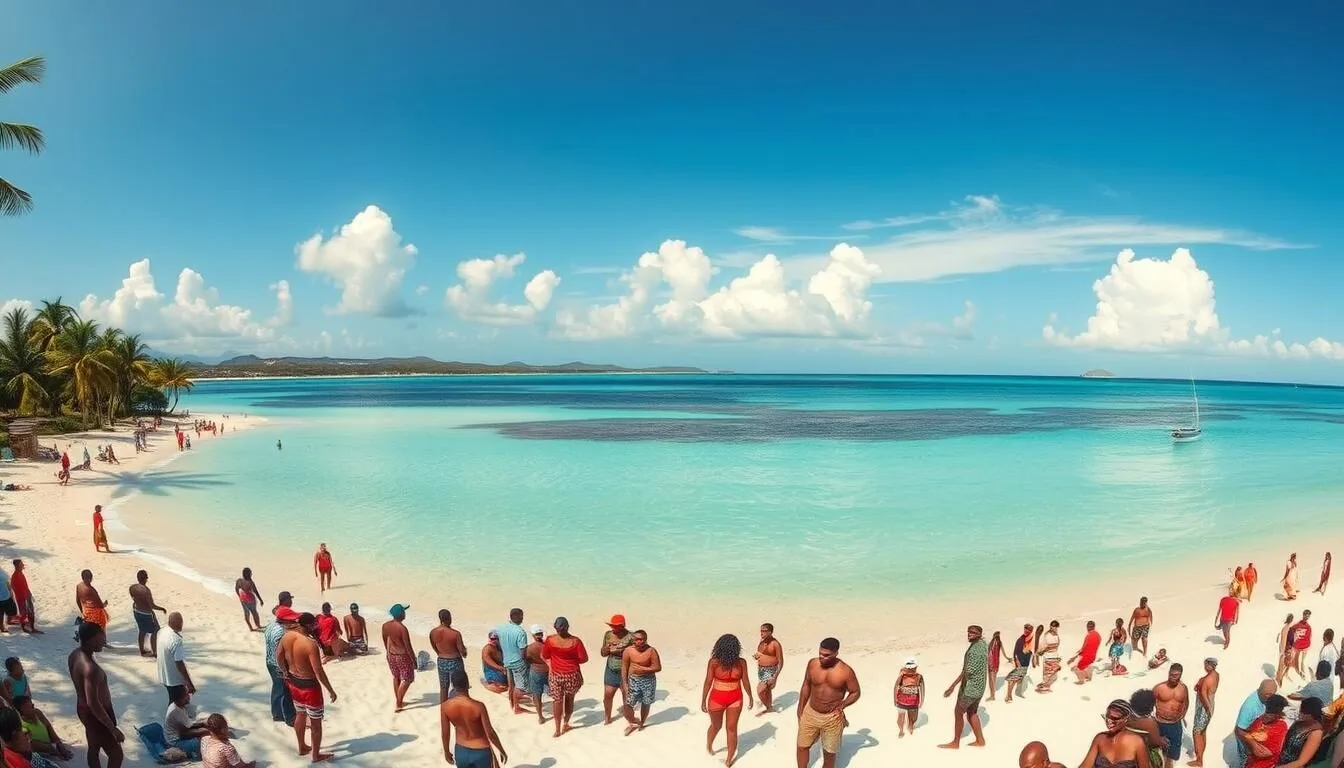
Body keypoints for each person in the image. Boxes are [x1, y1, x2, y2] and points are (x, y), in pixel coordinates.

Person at [276, 611, 338, 763]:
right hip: (309, 686)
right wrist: (330, 690)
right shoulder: (310, 644)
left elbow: (278, 655)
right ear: (308, 625)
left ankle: (302, 746)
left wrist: (284, 671)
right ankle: (316, 755)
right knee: (316, 723)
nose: (315, 626)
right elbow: (318, 670)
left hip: (293, 682)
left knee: (300, 714)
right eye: (314, 624)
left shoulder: (287, 636)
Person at [67, 621, 124, 768]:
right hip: (96, 714)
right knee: (116, 754)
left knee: (93, 746)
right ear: (92, 638)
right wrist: (112, 728)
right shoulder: (90, 668)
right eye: (102, 637)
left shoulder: (74, 655)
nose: (104, 642)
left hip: (82, 709)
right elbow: (93, 702)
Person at [797, 637, 860, 768]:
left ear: (836, 653)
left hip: (832, 718)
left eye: (826, 655)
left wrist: (842, 705)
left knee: (829, 753)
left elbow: (855, 692)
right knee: (802, 746)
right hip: (811, 712)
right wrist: (800, 708)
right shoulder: (812, 664)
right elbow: (806, 686)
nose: (822, 657)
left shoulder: (845, 671)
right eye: (820, 653)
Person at [439, 667, 508, 768]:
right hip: (481, 751)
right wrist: (501, 750)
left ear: (453, 685)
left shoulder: (445, 707)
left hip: (461, 750)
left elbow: (445, 733)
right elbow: (490, 733)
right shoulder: (478, 706)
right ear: (467, 684)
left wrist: (446, 751)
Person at [703, 633, 752, 766]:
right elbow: (708, 681)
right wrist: (703, 700)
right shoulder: (714, 662)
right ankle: (709, 745)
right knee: (716, 726)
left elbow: (745, 680)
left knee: (731, 728)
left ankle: (729, 758)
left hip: (735, 699)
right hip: (716, 699)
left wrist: (750, 696)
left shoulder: (741, 662)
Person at [940, 624, 988, 750]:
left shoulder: (974, 651)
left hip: (971, 688)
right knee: (972, 712)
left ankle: (955, 742)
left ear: (979, 634)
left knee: (958, 712)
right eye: (968, 632)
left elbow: (967, 672)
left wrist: (952, 686)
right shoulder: (983, 645)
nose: (969, 634)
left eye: (973, 632)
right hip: (980, 687)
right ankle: (980, 740)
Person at [542, 616, 588, 738]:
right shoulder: (575, 641)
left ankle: (557, 729)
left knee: (557, 701)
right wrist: (571, 659)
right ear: (568, 627)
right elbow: (584, 659)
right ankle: (566, 723)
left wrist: (553, 662)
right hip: (572, 674)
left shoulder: (550, 640)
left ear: (555, 628)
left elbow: (545, 655)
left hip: (556, 675)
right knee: (569, 699)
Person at [1080, 699, 1153, 768]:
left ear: (1126, 719)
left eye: (1115, 718)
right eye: (1107, 716)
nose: (1109, 721)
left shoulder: (1136, 742)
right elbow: (1085, 765)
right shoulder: (1100, 739)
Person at [621, 629, 662, 735]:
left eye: (642, 639)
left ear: (646, 639)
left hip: (648, 680)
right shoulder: (628, 651)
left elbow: (657, 667)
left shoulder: (651, 651)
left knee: (646, 702)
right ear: (633, 640)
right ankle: (633, 721)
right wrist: (625, 683)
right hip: (634, 679)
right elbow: (624, 668)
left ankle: (642, 723)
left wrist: (644, 669)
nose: (639, 641)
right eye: (637, 639)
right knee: (628, 704)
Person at [264, 607, 299, 727]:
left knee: (277, 688)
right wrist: (285, 669)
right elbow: (281, 652)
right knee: (286, 691)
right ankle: (289, 717)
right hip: (279, 664)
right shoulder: (282, 633)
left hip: (269, 661)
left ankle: (277, 713)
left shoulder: (270, 626)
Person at [13, 695, 74, 760]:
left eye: (32, 705)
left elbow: (49, 727)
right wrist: (52, 749)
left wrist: (58, 743)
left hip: (50, 746)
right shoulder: (21, 724)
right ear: (21, 710)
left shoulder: (37, 713)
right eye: (29, 707)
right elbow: (31, 743)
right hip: (38, 753)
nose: (33, 708)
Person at [381, 604, 416, 712]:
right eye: (404, 612)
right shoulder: (402, 629)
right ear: (401, 614)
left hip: (391, 654)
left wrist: (388, 653)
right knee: (408, 679)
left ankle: (399, 700)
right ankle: (399, 703)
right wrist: (414, 659)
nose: (405, 613)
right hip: (402, 656)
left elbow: (384, 639)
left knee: (396, 677)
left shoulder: (385, 625)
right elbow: (408, 646)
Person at [1239, 694, 1290, 768]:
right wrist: (1252, 744)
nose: (1266, 715)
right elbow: (1248, 746)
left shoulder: (1281, 727)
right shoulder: (1259, 720)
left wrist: (1251, 743)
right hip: (1251, 763)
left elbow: (1267, 753)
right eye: (1266, 712)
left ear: (1277, 714)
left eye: (1270, 713)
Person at [1153, 663, 1189, 767]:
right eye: (1171, 674)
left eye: (1176, 675)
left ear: (1181, 675)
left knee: (1171, 756)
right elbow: (1149, 704)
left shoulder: (1183, 688)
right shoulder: (1159, 688)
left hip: (1175, 724)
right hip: (1160, 723)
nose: (1173, 677)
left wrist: (1183, 715)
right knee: (1158, 753)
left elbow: (1186, 702)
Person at [601, 614, 634, 725]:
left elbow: (636, 653)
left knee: (626, 696)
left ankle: (628, 719)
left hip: (626, 670)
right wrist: (608, 649)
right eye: (612, 626)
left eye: (616, 626)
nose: (613, 629)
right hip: (611, 668)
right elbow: (603, 653)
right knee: (608, 695)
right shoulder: (608, 635)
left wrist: (620, 651)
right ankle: (607, 718)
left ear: (623, 626)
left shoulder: (631, 637)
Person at [1235, 680, 1278, 765]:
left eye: (1271, 694)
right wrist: (1252, 744)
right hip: (1246, 741)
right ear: (1259, 689)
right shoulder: (1250, 707)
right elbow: (1239, 730)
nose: (1269, 697)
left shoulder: (1267, 699)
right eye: (1266, 694)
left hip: (1257, 736)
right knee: (1245, 762)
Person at [496, 608, 530, 715]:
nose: (522, 618)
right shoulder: (520, 632)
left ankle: (512, 704)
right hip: (518, 662)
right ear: (517, 616)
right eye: (521, 616)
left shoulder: (501, 629)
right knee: (521, 686)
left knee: (511, 685)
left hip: (506, 660)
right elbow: (523, 652)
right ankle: (517, 707)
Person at [156, 612, 195, 703]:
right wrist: (189, 683)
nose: (181, 625)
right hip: (174, 679)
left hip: (163, 674)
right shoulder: (176, 641)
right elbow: (179, 664)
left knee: (178, 698)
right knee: (176, 702)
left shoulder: (162, 631)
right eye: (180, 623)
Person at [430, 609, 467, 702]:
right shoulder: (455, 634)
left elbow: (434, 647)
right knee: (460, 686)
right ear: (449, 618)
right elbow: (462, 652)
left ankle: (444, 709)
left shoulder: (433, 632)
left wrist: (441, 654)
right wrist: (465, 651)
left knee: (443, 687)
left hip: (442, 660)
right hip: (455, 661)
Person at [1188, 657, 1219, 766]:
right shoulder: (1215, 675)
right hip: (1209, 706)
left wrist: (1207, 709)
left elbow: (1204, 695)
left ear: (1209, 665)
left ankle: (1199, 759)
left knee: (1197, 732)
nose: (1204, 667)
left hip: (1203, 708)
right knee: (1203, 731)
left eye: (1205, 665)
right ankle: (1201, 755)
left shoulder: (1207, 680)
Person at [128, 570, 166, 657]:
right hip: (146, 613)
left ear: (138, 578)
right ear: (146, 579)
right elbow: (152, 605)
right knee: (155, 630)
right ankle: (155, 652)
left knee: (142, 630)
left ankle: (142, 650)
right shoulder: (146, 590)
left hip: (136, 610)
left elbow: (134, 598)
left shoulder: (132, 587)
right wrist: (161, 609)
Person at [1279, 696, 1326, 767]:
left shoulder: (1316, 733)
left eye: (1303, 712)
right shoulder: (1298, 723)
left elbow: (1302, 761)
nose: (1300, 713)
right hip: (1280, 761)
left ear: (1311, 715)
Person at [1128, 688, 1169, 768]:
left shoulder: (1126, 717)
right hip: (1146, 752)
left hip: (1129, 748)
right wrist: (1164, 741)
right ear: (1149, 707)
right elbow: (1156, 741)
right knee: (1166, 742)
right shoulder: (1149, 723)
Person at [163, 688, 208, 759]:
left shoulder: (176, 706)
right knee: (204, 739)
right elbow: (184, 734)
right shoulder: (176, 711)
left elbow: (189, 724)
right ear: (180, 698)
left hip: (176, 736)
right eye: (186, 695)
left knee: (203, 725)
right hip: (175, 742)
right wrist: (204, 730)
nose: (189, 696)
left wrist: (202, 723)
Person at [755, 622, 783, 714]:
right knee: (766, 690)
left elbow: (781, 661)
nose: (761, 633)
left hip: (770, 670)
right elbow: (760, 654)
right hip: (761, 669)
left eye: (764, 631)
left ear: (770, 632)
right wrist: (758, 656)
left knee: (760, 691)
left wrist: (775, 677)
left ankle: (767, 706)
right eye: (761, 631)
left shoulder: (775, 644)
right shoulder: (762, 642)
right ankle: (770, 707)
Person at [524, 624, 550, 724]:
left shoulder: (529, 648)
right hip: (548, 671)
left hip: (535, 671)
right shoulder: (547, 647)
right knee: (556, 693)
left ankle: (540, 717)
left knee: (537, 695)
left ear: (533, 635)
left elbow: (526, 659)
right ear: (542, 634)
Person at [894, 658, 924, 737]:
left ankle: (910, 727)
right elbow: (896, 686)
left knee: (912, 717)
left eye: (912, 668)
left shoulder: (919, 677)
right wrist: (894, 699)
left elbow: (922, 689)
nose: (911, 669)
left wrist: (922, 701)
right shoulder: (901, 676)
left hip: (912, 701)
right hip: (902, 700)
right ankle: (901, 730)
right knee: (901, 717)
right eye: (909, 668)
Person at [1004, 624, 1033, 702]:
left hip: (1025, 663)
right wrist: (1018, 663)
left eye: (1029, 630)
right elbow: (1016, 653)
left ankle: (1018, 693)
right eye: (1026, 629)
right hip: (1020, 663)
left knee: (1019, 679)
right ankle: (1008, 696)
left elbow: (1030, 651)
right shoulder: (1020, 640)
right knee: (1013, 679)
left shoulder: (1030, 640)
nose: (1027, 631)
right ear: (1024, 629)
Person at [1070, 620, 1102, 685]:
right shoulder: (1098, 635)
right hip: (1093, 655)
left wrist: (1076, 656)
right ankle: (1088, 677)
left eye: (1088, 626)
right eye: (1088, 626)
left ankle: (1081, 680)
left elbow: (1084, 647)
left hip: (1087, 655)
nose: (1088, 628)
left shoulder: (1089, 635)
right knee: (1087, 666)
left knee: (1077, 667)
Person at [1036, 620, 1062, 693]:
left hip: (1055, 656)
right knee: (1047, 673)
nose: (1055, 628)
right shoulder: (1047, 635)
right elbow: (1043, 645)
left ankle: (1045, 685)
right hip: (1048, 656)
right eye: (1054, 626)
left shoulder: (1056, 635)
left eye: (1056, 627)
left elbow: (1058, 644)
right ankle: (1044, 688)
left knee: (1053, 673)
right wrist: (1039, 652)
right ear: (1051, 626)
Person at [9, 560, 34, 634]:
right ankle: (25, 627)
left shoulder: (19, 573)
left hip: (25, 595)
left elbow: (24, 585)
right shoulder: (15, 575)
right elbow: (15, 587)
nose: (23, 565)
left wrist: (28, 592)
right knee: (24, 612)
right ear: (17, 566)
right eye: (21, 564)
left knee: (29, 611)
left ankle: (30, 626)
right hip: (22, 597)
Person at [234, 568, 264, 632]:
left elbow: (236, 589)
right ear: (249, 574)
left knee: (246, 613)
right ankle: (258, 625)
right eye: (250, 573)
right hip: (250, 599)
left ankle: (250, 627)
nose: (251, 574)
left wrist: (239, 596)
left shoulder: (239, 581)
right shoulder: (250, 582)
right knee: (254, 612)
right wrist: (261, 600)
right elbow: (256, 591)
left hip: (243, 599)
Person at [1290, 611, 1314, 681]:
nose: (1307, 617)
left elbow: (1309, 637)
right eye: (1306, 615)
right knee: (1297, 659)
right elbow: (1291, 630)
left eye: (1308, 616)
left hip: (1305, 646)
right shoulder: (1297, 624)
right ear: (1303, 615)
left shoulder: (1309, 627)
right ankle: (1298, 672)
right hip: (1297, 646)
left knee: (1303, 661)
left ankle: (1302, 674)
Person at [1277, 614, 1298, 686]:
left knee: (1282, 666)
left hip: (1285, 649)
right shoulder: (1289, 629)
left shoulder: (1285, 628)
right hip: (1287, 649)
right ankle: (1279, 680)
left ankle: (1279, 680)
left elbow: (1281, 640)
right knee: (1284, 666)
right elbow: (1286, 640)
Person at [986, 630, 1006, 699]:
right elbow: (1003, 652)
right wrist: (1007, 658)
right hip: (997, 662)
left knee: (991, 679)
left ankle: (992, 696)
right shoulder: (1000, 642)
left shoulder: (992, 643)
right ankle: (993, 694)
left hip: (991, 662)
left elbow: (988, 653)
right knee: (994, 678)